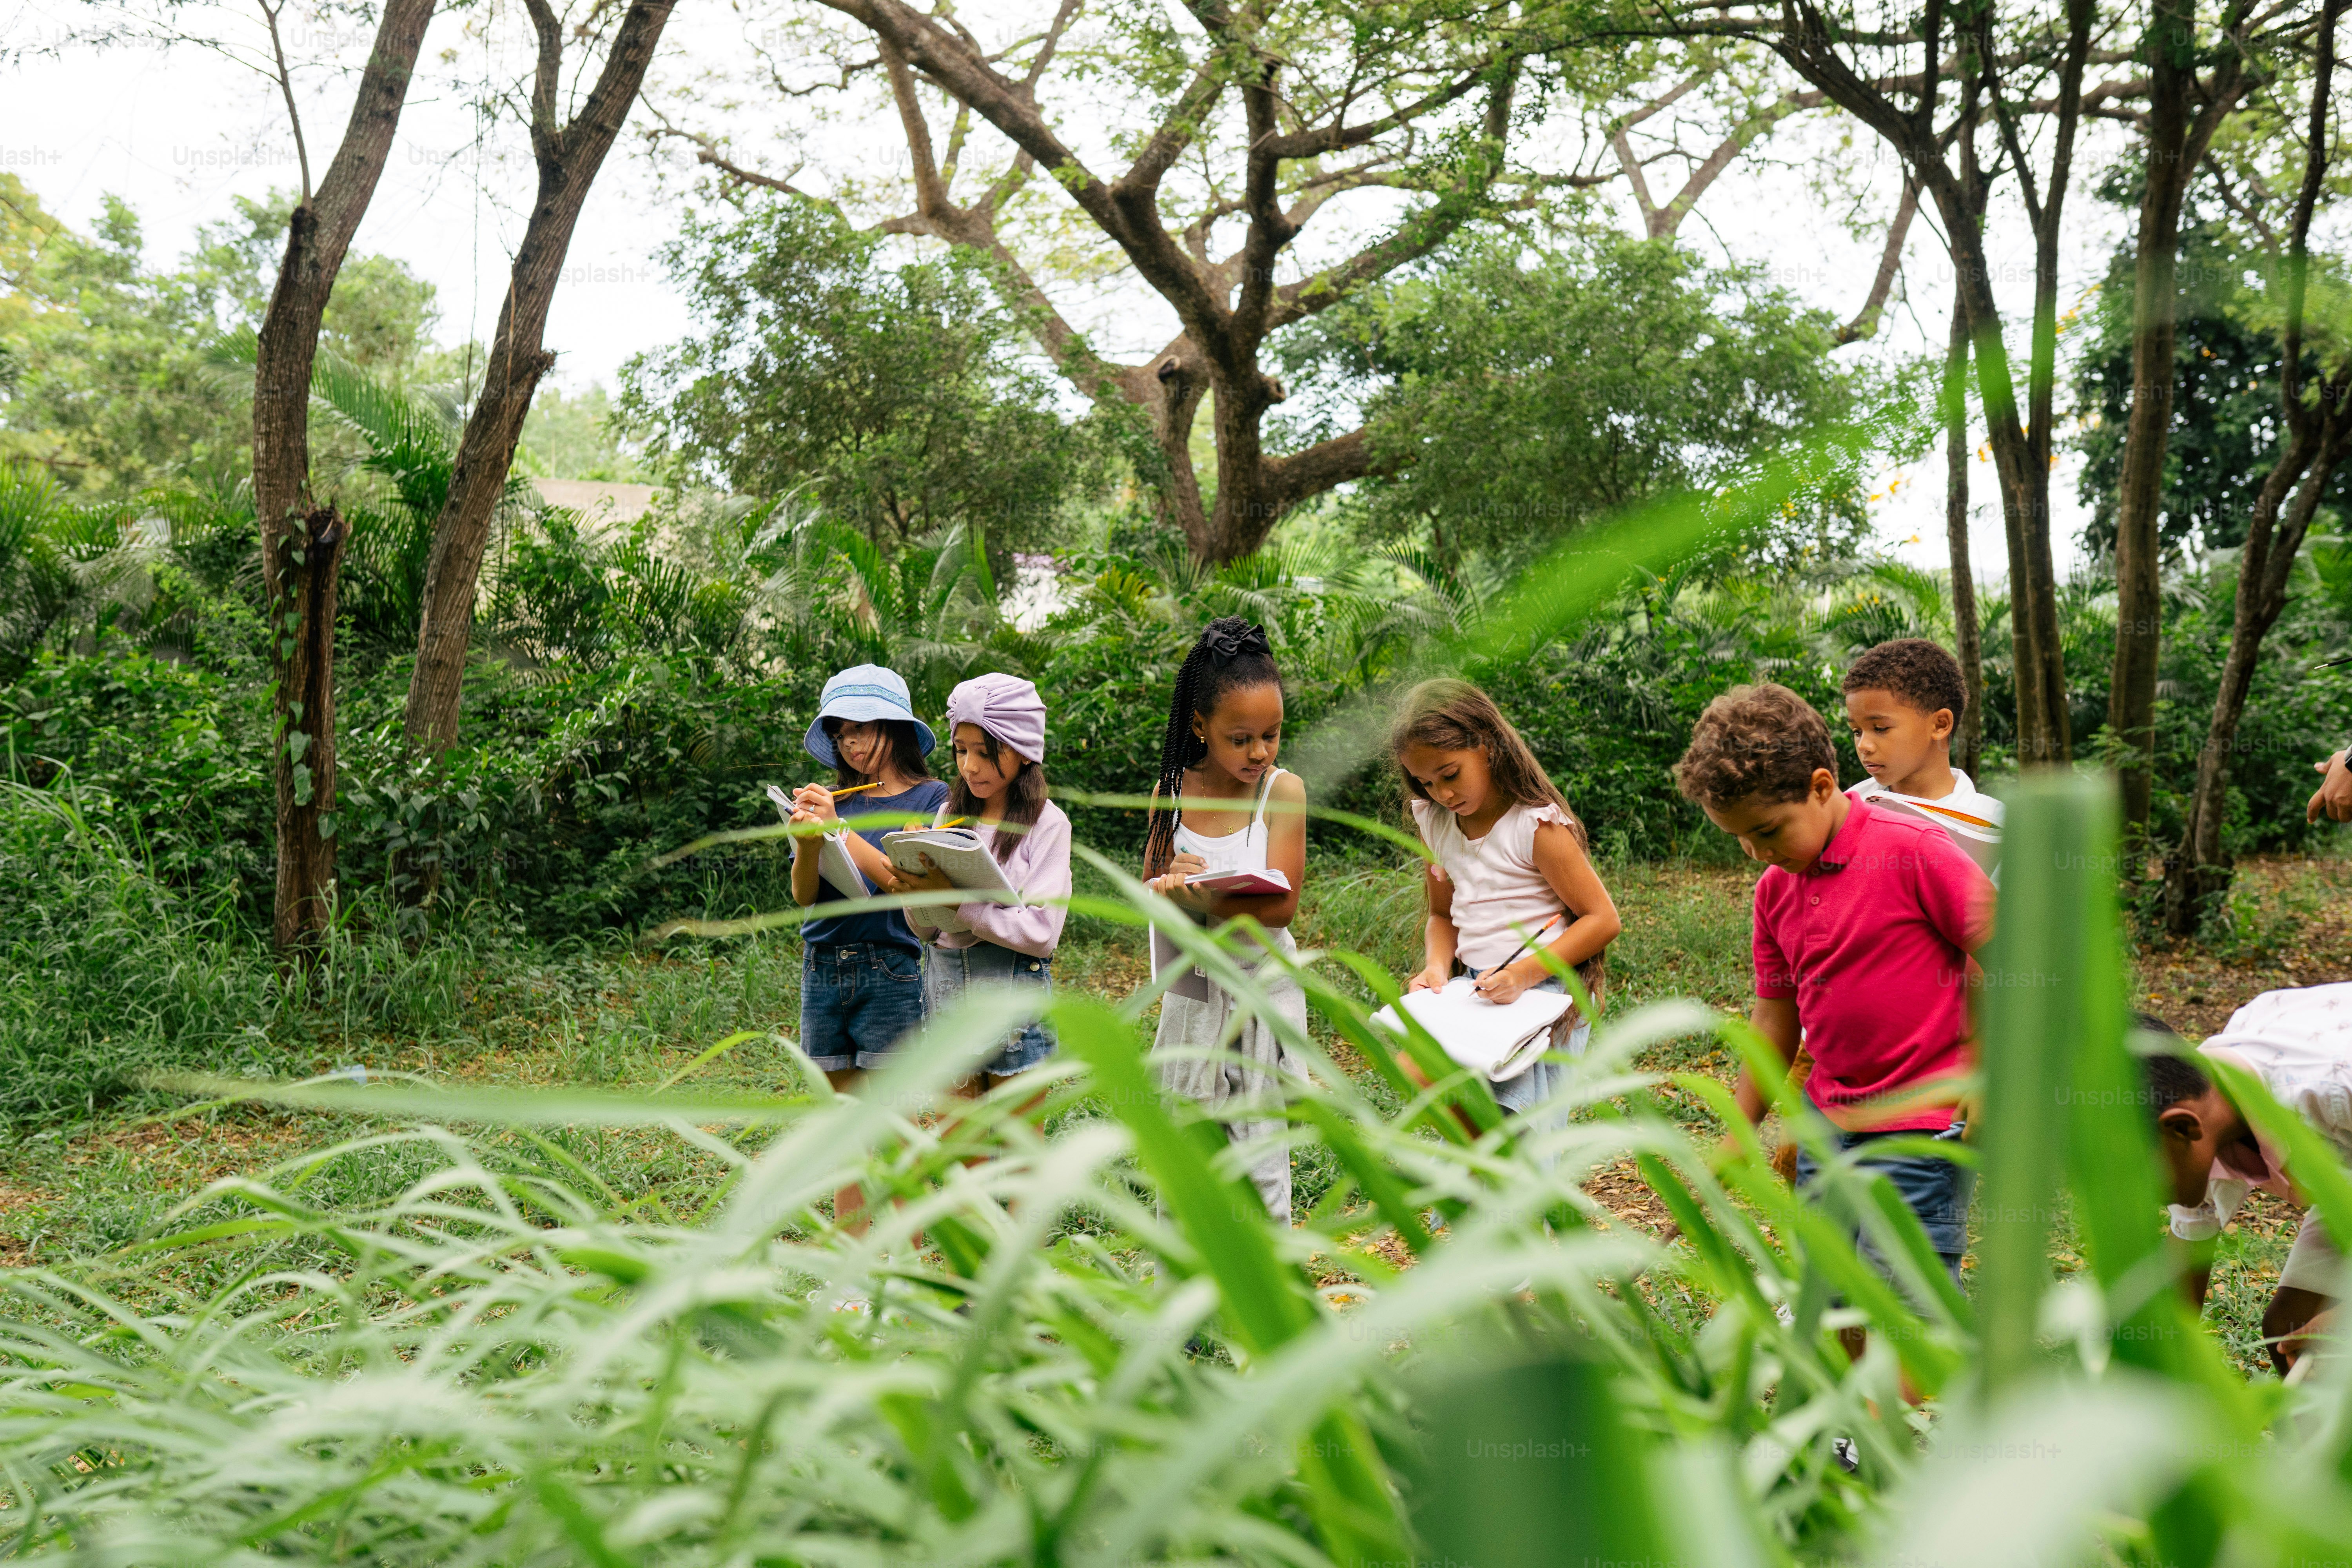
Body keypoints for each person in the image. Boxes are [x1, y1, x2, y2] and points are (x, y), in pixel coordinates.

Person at [1675, 682, 1993, 1300]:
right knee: (1829, 1290)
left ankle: (1896, 1399)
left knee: (1903, 1297)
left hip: (1923, 1122)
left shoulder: (1915, 852)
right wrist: (1739, 1132)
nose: (1756, 852)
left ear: (1823, 787)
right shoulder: (1774, 890)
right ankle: (1848, 1396)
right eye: (1739, 839)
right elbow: (1774, 1021)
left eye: (1768, 831)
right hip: (1828, 1121)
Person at [1389, 678, 1622, 1134]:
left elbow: (1603, 919)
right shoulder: (1436, 823)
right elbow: (1441, 915)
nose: (1443, 794)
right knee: (1419, 1073)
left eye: (1450, 774)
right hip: (1476, 992)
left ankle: (1502, 1195)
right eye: (1426, 782)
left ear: (1487, 745)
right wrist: (1437, 968)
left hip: (1545, 992)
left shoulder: (1534, 825)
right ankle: (1481, 1193)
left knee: (1518, 1133)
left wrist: (1523, 974)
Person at [1142, 617, 1310, 1224]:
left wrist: (1204, 898)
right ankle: (1180, 1301)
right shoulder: (1172, 791)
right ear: (1200, 726)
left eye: (1272, 734)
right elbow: (1151, 889)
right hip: (1193, 993)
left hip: (1261, 991)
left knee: (1261, 1155)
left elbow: (1282, 905)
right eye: (1241, 738)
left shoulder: (1282, 792)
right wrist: (1171, 884)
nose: (1259, 751)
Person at [788, 665, 949, 1232]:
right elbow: (805, 893)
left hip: (891, 968)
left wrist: (840, 831)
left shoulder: (934, 799)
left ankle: (899, 1271)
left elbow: (903, 882)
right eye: (841, 732)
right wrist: (807, 842)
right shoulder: (833, 799)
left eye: (863, 729)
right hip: (823, 967)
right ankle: (851, 1272)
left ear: (897, 728)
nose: (851, 743)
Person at [2143, 985, 2352, 1374]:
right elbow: (2184, 1272)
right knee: (2291, 1330)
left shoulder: (2333, 1088)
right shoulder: (2199, 1097)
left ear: (2182, 1128)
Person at [900, 673, 1072, 1089]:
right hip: (947, 991)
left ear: (1023, 750)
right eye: (961, 750)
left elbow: (1043, 933)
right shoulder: (949, 816)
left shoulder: (1046, 824)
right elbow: (927, 930)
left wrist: (960, 904)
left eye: (985, 751)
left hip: (1012, 998)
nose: (969, 766)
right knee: (961, 1148)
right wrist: (911, 888)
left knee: (1019, 1150)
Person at [1841, 637, 2003, 876]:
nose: (1864, 745)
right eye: (1857, 731)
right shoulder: (1847, 811)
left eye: (1881, 728)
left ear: (1940, 725)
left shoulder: (1996, 823)